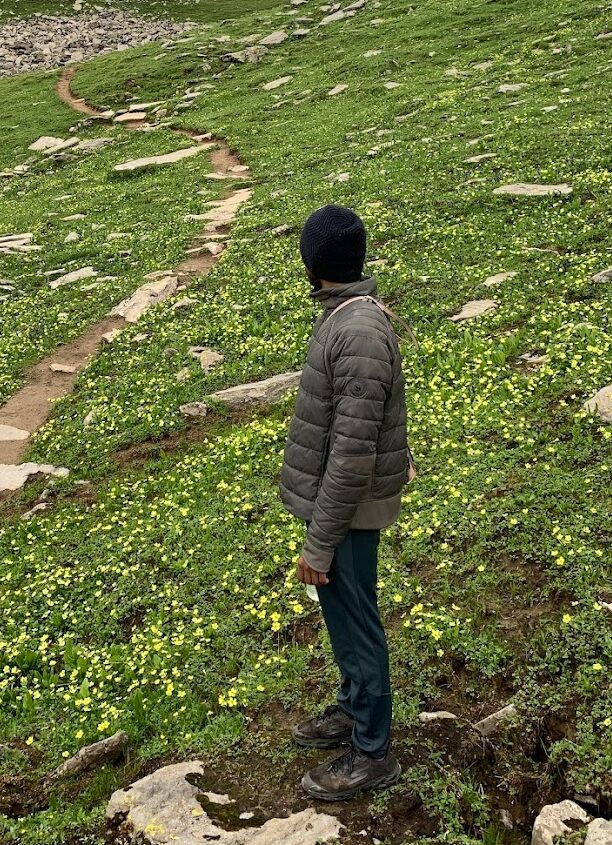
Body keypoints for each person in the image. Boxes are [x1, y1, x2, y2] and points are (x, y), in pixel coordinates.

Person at [279, 204, 412, 801]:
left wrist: (320, 541)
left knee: (356, 621)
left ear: (315, 263)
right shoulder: (348, 318)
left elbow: (352, 456)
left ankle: (372, 749)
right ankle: (353, 708)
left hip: (349, 511)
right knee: (343, 614)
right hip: (343, 506)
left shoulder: (355, 332)